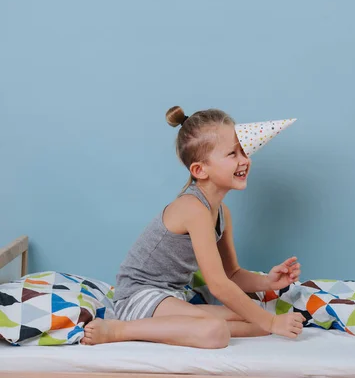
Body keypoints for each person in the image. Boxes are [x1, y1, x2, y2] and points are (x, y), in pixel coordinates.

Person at [81, 107, 303, 348]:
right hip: (138, 296)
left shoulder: (220, 212)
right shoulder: (193, 208)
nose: (244, 160)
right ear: (200, 170)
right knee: (221, 332)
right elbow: (218, 284)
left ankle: (185, 327)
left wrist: (267, 283)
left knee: (255, 323)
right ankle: (118, 330)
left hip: (170, 296)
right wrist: (272, 323)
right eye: (232, 154)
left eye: (243, 152)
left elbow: (232, 274)